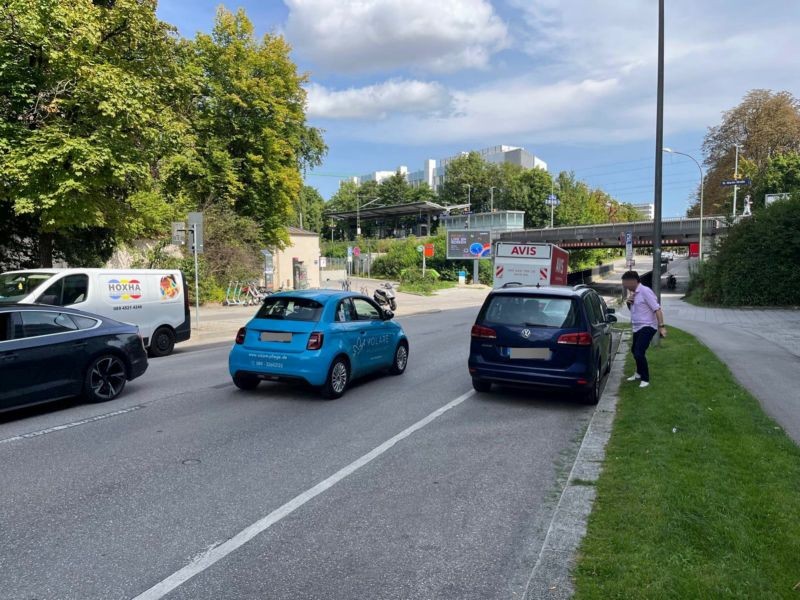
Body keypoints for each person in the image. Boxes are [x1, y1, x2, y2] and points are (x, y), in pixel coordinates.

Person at [622, 271, 667, 388]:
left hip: (647, 326)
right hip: (637, 327)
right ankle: (638, 373)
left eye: (626, 283)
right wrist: (628, 303)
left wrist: (661, 327)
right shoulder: (634, 293)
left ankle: (645, 379)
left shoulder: (645, 291)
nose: (625, 286)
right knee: (634, 350)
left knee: (639, 352)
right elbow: (635, 310)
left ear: (633, 281)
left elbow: (657, 309)